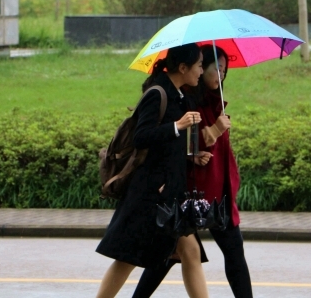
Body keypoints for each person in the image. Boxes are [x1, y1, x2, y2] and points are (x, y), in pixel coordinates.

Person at [132, 45, 254, 298]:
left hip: (219, 189)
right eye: (215, 68)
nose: (221, 74)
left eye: (224, 70)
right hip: (192, 189)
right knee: (171, 253)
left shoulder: (215, 102)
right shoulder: (186, 101)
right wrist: (215, 130)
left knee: (230, 251)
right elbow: (185, 142)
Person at [95, 43, 209, 298]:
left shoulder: (181, 96)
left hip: (170, 194)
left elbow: (168, 147)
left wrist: (191, 156)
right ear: (183, 67)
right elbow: (142, 137)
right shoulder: (157, 94)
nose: (202, 71)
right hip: (150, 195)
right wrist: (177, 125)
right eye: (200, 65)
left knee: (190, 252)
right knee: (127, 258)